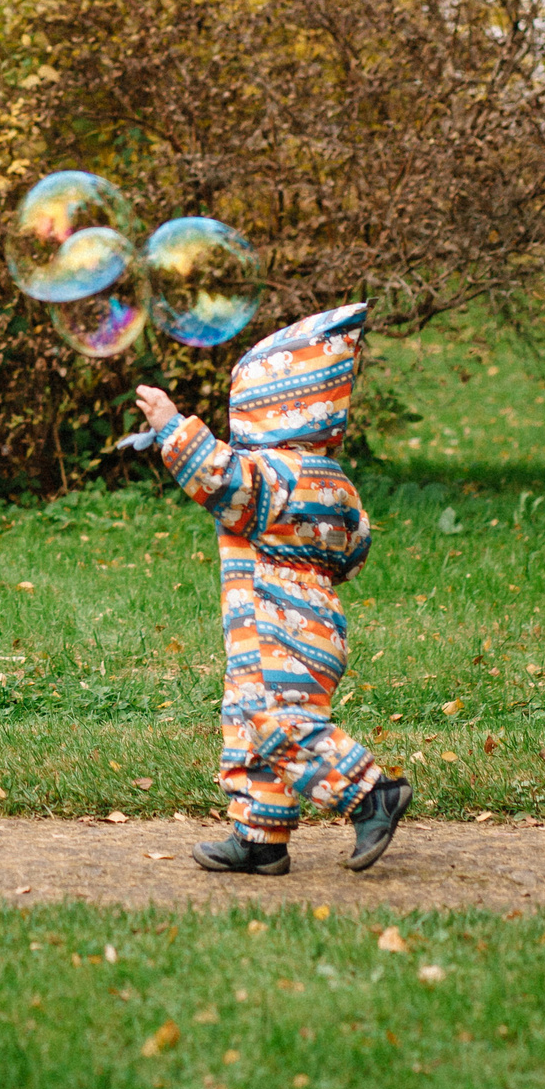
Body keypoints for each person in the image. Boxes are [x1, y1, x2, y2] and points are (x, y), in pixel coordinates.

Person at [131, 302, 411, 875]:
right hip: (310, 624)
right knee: (250, 726)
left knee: (279, 724)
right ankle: (259, 837)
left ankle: (369, 793)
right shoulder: (331, 480)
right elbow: (355, 552)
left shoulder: (276, 476)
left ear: (273, 406)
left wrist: (171, 426)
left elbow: (219, 478)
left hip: (276, 629)